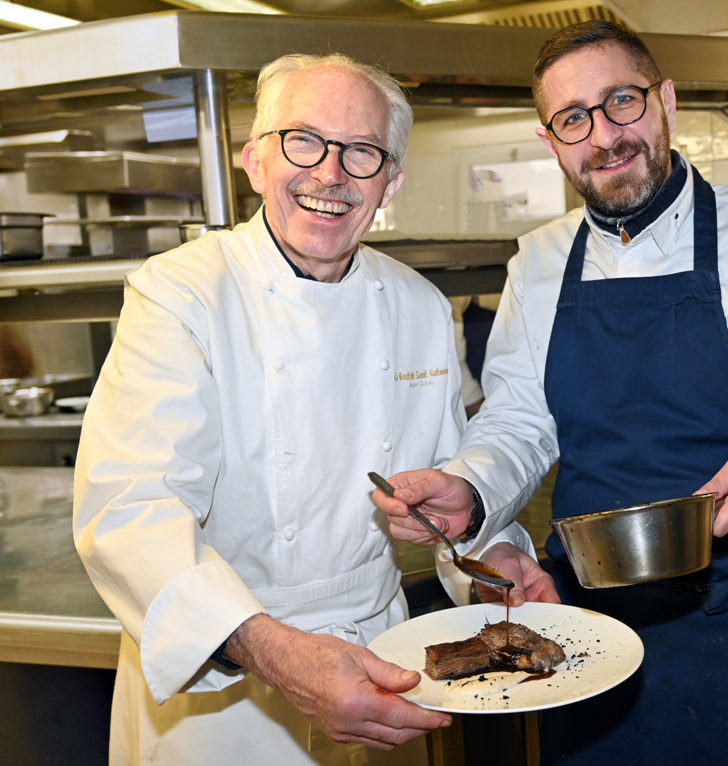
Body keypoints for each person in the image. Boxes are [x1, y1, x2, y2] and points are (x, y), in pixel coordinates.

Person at [371, 20, 728, 766]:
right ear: (551, 139)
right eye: (574, 118)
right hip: (581, 639)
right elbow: (519, 421)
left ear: (664, 101)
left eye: (621, 101)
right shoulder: (539, 261)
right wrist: (470, 488)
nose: (604, 135)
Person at [73, 51, 502, 766]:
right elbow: (130, 508)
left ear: (390, 181)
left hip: (379, 664)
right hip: (219, 682)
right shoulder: (179, 294)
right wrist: (271, 649)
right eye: (302, 140)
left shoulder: (420, 306)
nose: (330, 174)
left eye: (362, 152)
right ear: (253, 161)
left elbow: (442, 490)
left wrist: (492, 558)